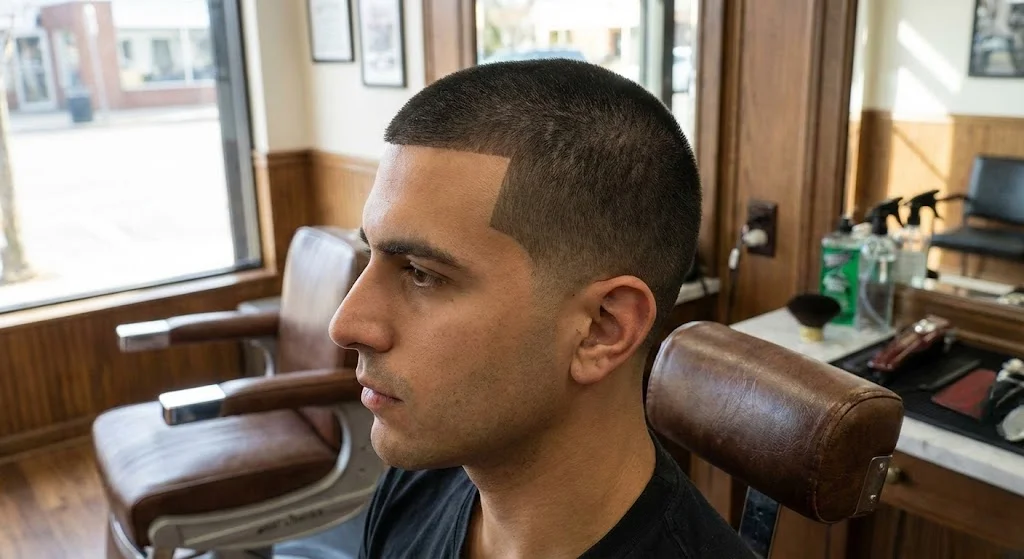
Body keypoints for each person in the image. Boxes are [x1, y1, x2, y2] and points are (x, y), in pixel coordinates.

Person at [328, 59, 754, 558]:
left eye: (422, 273)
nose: (346, 324)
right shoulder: (421, 482)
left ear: (601, 329)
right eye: (371, 253)